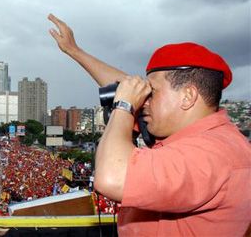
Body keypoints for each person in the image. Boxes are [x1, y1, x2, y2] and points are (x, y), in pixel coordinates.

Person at [48, 14, 251, 236]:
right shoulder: (197, 136)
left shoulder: (211, 154)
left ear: (187, 96)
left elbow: (111, 177)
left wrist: (124, 105)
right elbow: (126, 84)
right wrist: (75, 51)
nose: (145, 101)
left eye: (152, 92)